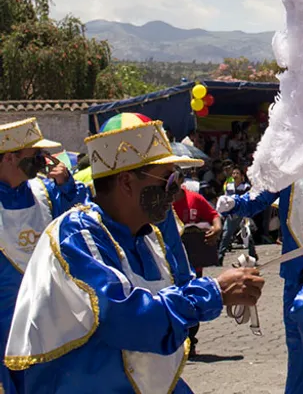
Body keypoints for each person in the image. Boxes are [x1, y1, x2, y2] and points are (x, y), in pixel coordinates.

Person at [4, 114, 264, 393]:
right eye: (169, 180)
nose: (176, 192)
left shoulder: (148, 236)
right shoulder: (75, 235)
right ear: (127, 182)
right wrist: (214, 292)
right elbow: (128, 320)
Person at [218, 146, 303, 394]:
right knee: (294, 341)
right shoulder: (291, 175)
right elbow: (259, 199)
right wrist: (234, 204)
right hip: (294, 265)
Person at [0, 119, 89, 393]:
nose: (42, 162)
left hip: (46, 309)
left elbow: (80, 220)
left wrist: (66, 185)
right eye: (35, 156)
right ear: (11, 157)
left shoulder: (45, 191)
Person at [172, 181, 223, 358]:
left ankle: (191, 342)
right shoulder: (161, 201)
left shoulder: (194, 199)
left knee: (191, 300)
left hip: (193, 261)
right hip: (168, 263)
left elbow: (213, 215)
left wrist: (217, 227)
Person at [218, 163, 256, 264]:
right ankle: (220, 256)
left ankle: (253, 255)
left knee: (248, 235)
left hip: (243, 214)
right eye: (233, 173)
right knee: (226, 235)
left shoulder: (246, 187)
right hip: (232, 214)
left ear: (241, 176)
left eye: (237, 173)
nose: (235, 175)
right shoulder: (228, 186)